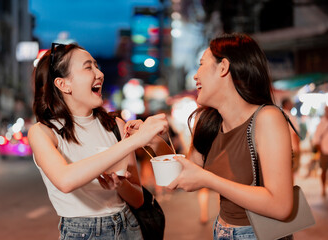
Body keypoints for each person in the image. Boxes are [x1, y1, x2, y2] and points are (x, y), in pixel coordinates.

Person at [126, 33, 294, 240]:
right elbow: (186, 173)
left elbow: (281, 206)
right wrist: (151, 140)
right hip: (222, 230)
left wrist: (209, 180)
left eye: (201, 64)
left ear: (223, 67)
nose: (196, 76)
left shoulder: (267, 118)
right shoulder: (207, 122)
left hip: (257, 233)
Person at [28, 43, 168, 239]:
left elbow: (137, 200)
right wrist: (134, 142)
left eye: (97, 66)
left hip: (128, 227)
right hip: (81, 233)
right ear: (63, 84)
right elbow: (65, 180)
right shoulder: (43, 132)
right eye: (88, 67)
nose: (99, 74)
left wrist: (120, 185)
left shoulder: (115, 125)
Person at [312, 105, 328, 196]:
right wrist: (321, 150)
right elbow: (316, 139)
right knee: (324, 170)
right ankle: (323, 189)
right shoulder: (321, 124)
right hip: (325, 151)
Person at [281, 98, 301, 181]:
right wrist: (298, 146)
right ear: (286, 104)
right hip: (292, 146)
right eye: (290, 103)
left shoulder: (278, 114)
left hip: (281, 147)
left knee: (285, 170)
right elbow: (295, 133)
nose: (292, 104)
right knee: (291, 169)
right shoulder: (290, 116)